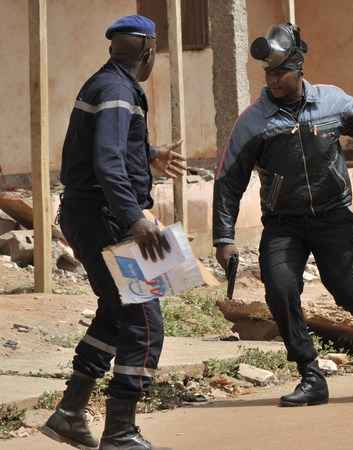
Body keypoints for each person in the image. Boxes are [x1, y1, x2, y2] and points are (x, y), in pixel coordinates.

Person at [212, 23, 353, 407]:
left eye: (280, 73)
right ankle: (310, 374)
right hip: (283, 223)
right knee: (281, 290)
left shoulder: (332, 102)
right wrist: (223, 238)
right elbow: (228, 180)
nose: (273, 80)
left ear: (298, 68)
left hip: (332, 217)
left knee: (348, 290)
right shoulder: (253, 121)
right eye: (268, 74)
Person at [40, 15, 186, 450]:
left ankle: (70, 412)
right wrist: (135, 218)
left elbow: (107, 145)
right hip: (109, 217)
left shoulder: (107, 84)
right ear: (147, 53)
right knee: (145, 321)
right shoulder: (120, 90)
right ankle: (120, 431)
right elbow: (106, 161)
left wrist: (149, 152)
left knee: (115, 308)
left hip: (90, 214)